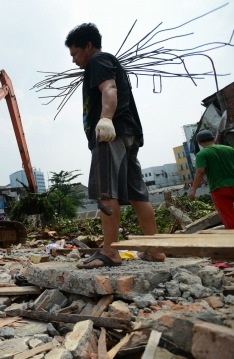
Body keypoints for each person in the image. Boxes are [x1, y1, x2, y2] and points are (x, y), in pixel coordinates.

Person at [64, 23, 166, 269]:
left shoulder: (98, 61)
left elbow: (109, 89)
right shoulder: (109, 62)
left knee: (105, 191)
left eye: (75, 54)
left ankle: (110, 251)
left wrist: (106, 118)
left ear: (88, 46)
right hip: (128, 133)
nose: (74, 60)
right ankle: (155, 250)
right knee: (136, 192)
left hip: (111, 134)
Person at [189, 130, 234, 228]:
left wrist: (193, 190)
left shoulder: (202, 154)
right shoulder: (229, 149)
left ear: (199, 142)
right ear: (213, 138)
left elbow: (200, 172)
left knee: (229, 217)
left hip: (219, 189)